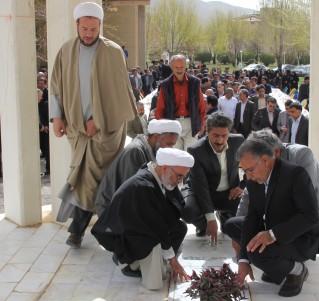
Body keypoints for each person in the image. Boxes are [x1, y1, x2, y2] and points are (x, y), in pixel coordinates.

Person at [50, 2, 137, 248]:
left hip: (106, 130)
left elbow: (120, 93)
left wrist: (97, 121)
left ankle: (77, 228)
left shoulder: (112, 51)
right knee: (89, 177)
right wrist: (57, 116)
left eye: (93, 29)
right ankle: (103, 226)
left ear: (100, 26)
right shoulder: (66, 51)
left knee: (91, 177)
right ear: (76, 25)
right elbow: (56, 87)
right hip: (77, 130)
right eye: (84, 28)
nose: (88, 34)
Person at [223, 129, 319, 256]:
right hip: (280, 215)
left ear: (276, 152)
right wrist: (240, 235)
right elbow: (248, 196)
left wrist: (272, 232)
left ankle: (294, 258)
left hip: (310, 212)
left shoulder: (302, 155)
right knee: (237, 226)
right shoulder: (257, 164)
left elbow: (305, 198)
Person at [92, 148, 194, 290]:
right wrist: (173, 260)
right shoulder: (143, 186)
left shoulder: (160, 174)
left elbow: (175, 207)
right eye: (178, 176)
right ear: (165, 168)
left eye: (183, 177)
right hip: (124, 237)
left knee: (179, 228)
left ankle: (155, 262)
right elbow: (157, 226)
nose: (180, 181)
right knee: (156, 271)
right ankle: (131, 265)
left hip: (140, 227)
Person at [235, 138, 319, 297]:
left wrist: (271, 235)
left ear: (265, 161)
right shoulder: (254, 179)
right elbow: (253, 217)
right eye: (244, 171)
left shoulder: (295, 174)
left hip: (302, 238)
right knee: (234, 229)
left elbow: (310, 217)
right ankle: (277, 265)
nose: (248, 176)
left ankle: (298, 270)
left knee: (257, 253)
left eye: (250, 170)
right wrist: (242, 261)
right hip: (274, 227)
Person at [95, 119, 182, 216]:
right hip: (112, 209)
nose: (170, 149)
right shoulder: (135, 151)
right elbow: (134, 192)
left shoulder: (154, 151)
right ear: (156, 137)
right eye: (169, 144)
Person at [182, 112, 244, 242]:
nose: (220, 140)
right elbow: (201, 187)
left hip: (229, 192)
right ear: (207, 131)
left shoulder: (238, 141)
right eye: (215, 135)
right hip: (203, 192)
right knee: (187, 211)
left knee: (240, 217)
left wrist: (241, 186)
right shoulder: (196, 150)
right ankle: (202, 224)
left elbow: (252, 166)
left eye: (224, 135)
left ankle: (225, 215)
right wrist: (210, 219)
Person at [155, 54, 206, 150]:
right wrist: (162, 128)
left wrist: (202, 124)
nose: (179, 70)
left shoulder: (195, 82)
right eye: (176, 67)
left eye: (181, 67)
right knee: (177, 156)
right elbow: (160, 108)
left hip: (191, 123)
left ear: (185, 67)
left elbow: (201, 105)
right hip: (173, 123)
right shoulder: (165, 85)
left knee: (191, 155)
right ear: (171, 67)